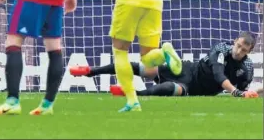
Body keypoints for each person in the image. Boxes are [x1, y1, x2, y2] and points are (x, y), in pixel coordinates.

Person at [70, 31, 259, 98]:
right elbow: (220, 76)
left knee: (168, 87)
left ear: (248, 52)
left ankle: (131, 94)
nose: (238, 50)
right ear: (235, 41)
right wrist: (236, 92)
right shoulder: (221, 48)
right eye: (238, 45)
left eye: (243, 50)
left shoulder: (247, 70)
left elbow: (246, 93)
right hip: (186, 69)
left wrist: (246, 93)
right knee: (140, 68)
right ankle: (89, 71)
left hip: (192, 89)